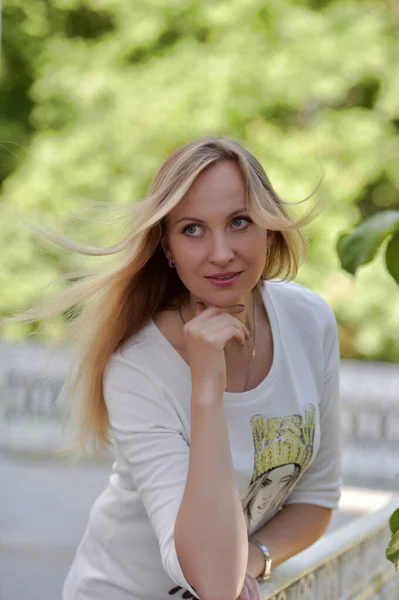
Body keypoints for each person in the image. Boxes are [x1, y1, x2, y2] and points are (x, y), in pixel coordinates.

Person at [10, 135, 342, 600]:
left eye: (239, 222)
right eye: (192, 229)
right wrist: (207, 387)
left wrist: (255, 554)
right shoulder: (138, 368)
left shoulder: (309, 322)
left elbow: (316, 499)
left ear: (268, 229)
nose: (221, 252)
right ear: (167, 248)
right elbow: (213, 581)